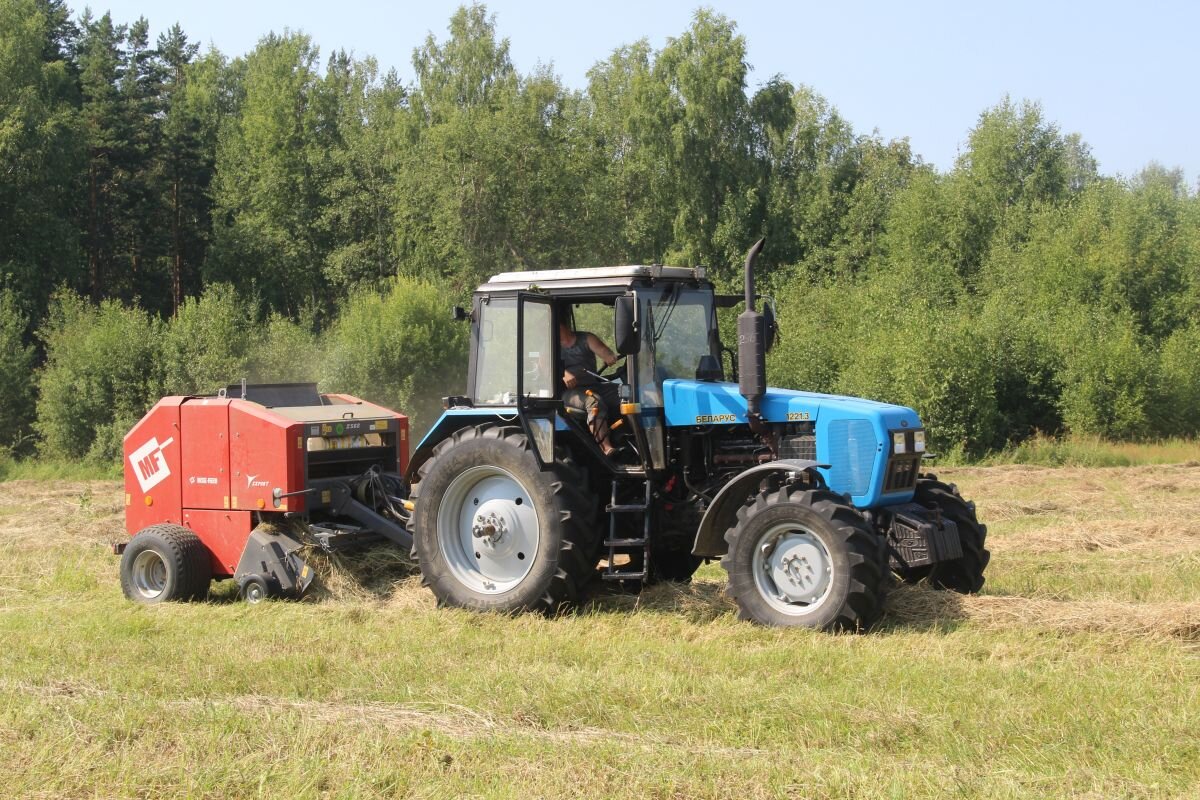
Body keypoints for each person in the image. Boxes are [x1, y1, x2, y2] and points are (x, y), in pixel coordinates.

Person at [559, 321, 620, 456]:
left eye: (559, 325)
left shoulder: (586, 339)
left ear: (566, 325)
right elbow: (544, 365)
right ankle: (606, 448)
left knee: (627, 393)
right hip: (568, 393)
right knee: (594, 401)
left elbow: (604, 351)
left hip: (593, 385)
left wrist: (608, 355)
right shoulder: (550, 344)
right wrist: (563, 373)